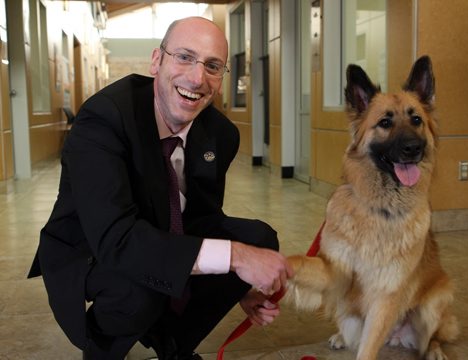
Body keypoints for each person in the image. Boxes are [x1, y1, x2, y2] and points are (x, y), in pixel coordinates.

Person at [28, 17, 293, 360]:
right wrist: (237, 259)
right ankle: (102, 351)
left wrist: (237, 283)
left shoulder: (221, 134)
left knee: (257, 240)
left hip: (157, 231)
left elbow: (202, 218)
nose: (197, 78)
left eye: (213, 66)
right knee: (138, 287)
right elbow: (117, 241)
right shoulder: (103, 119)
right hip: (93, 247)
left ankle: (173, 346)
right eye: (184, 57)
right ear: (156, 61)